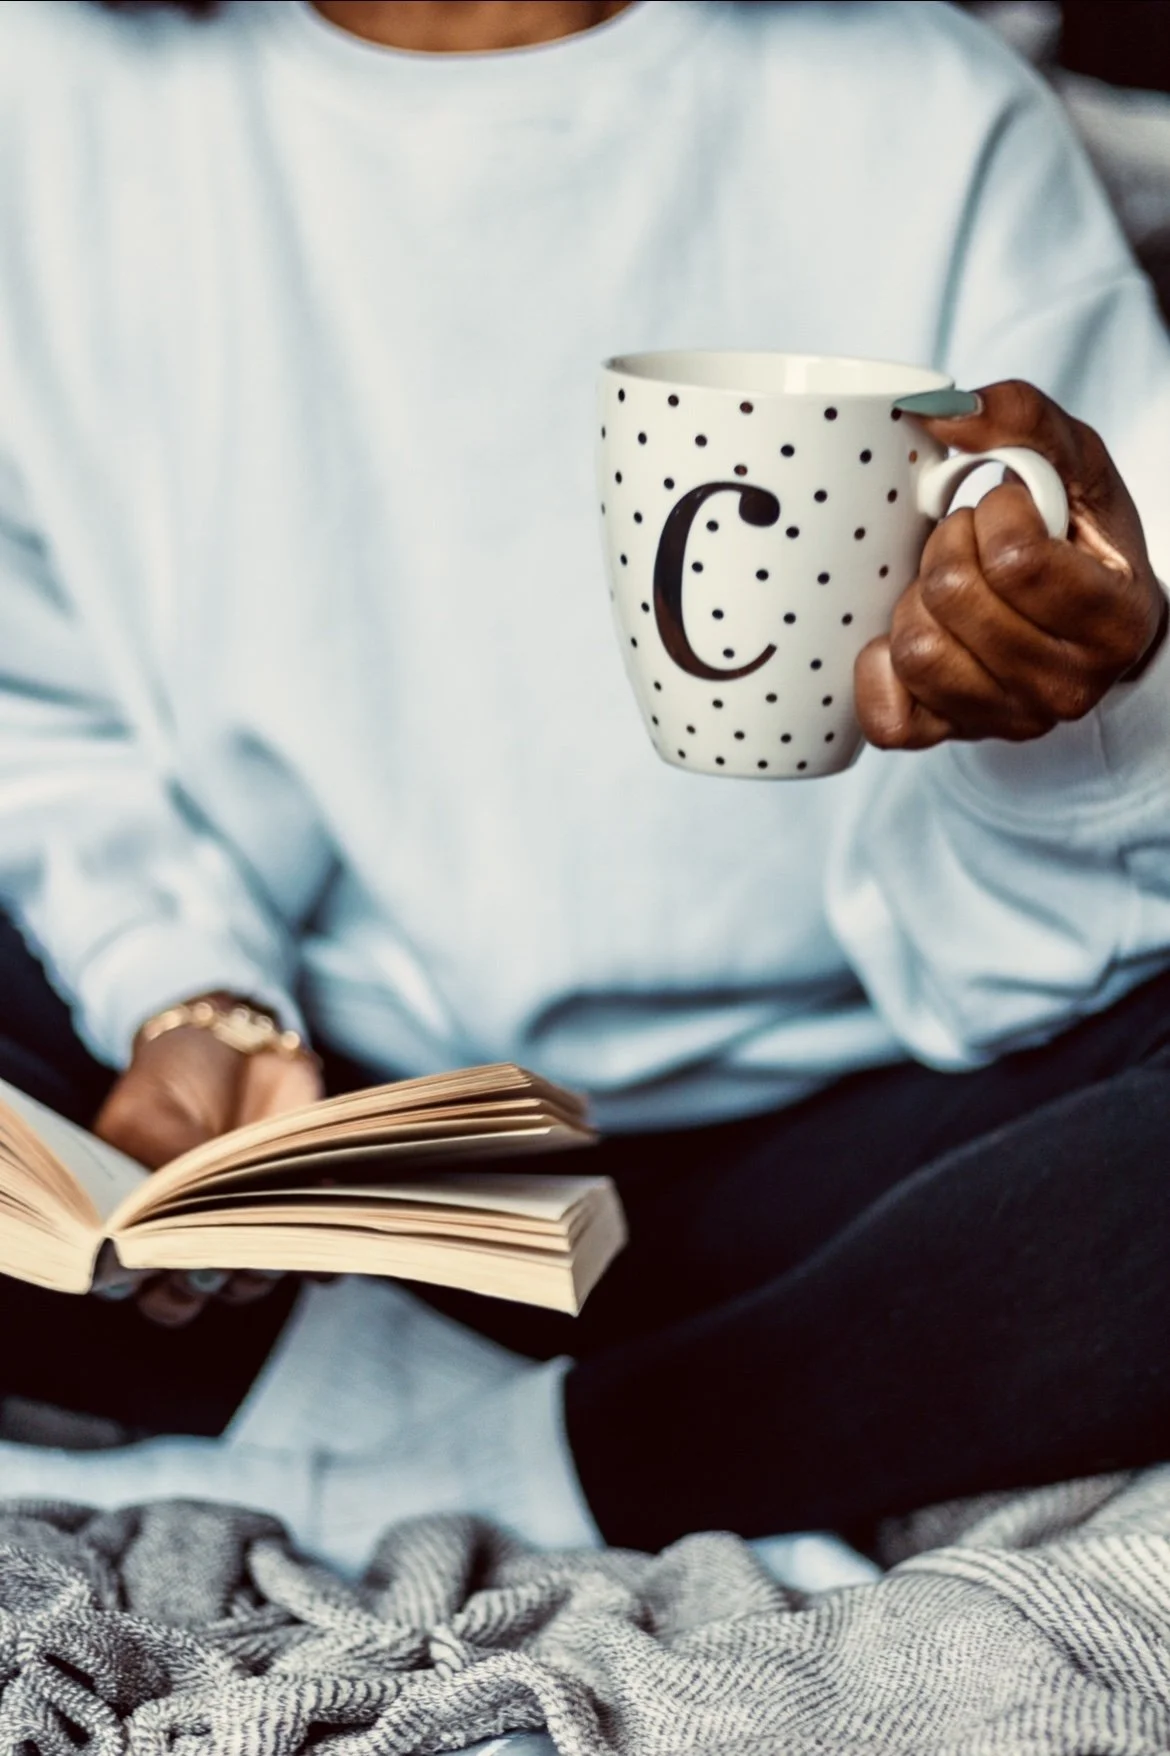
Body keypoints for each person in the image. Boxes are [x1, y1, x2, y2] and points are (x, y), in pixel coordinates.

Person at [0, 0, 1169, 1568]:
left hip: (855, 1161)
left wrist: (1057, 727)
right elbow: (41, 703)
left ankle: (527, 1463)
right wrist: (193, 997)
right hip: (332, 1167)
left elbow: (1052, 936)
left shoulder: (917, 104)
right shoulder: (54, 91)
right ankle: (383, 1385)